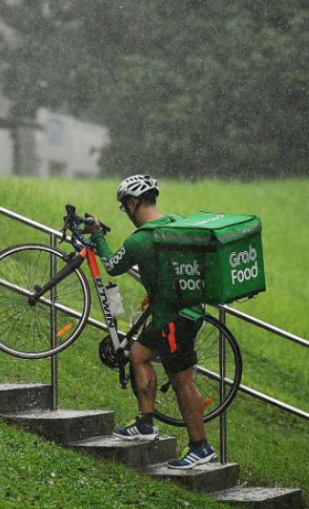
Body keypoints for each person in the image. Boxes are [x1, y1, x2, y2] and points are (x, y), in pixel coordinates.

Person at [84, 174, 217, 469]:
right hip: (186, 312)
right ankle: (145, 423)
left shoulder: (141, 239)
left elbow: (112, 265)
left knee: (182, 380)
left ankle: (201, 446)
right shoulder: (177, 223)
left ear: (133, 202)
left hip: (174, 321)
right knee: (139, 354)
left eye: (124, 206)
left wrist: (97, 236)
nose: (126, 212)